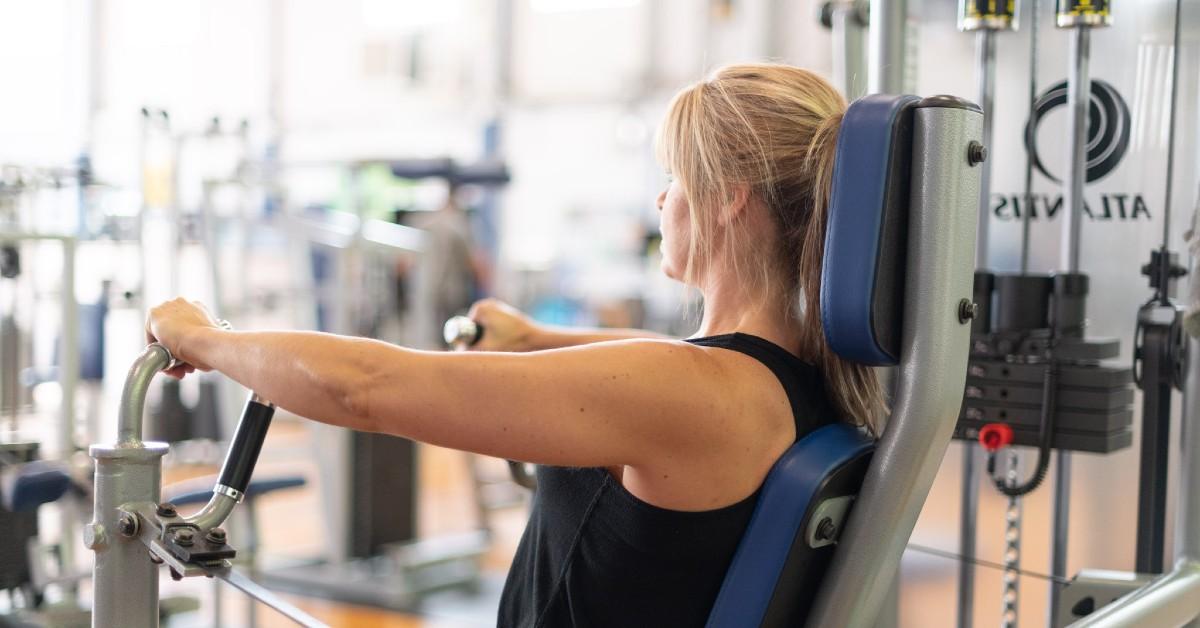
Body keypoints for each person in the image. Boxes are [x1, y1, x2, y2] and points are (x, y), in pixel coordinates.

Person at [145, 63, 885, 626]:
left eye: (675, 177)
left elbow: (361, 386)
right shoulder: (797, 379)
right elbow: (658, 355)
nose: (662, 199)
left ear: (731, 198)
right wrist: (533, 339)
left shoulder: (692, 393)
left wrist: (205, 339)